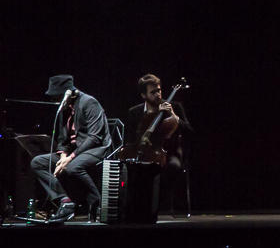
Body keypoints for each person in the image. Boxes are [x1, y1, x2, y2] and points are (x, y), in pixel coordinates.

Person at [31, 75, 112, 223]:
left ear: (68, 93)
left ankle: (96, 201)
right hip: (75, 152)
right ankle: (65, 201)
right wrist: (62, 156)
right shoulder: (64, 108)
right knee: (38, 163)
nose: (55, 100)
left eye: (57, 96)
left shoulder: (89, 102)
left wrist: (70, 158)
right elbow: (63, 139)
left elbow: (94, 138)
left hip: (96, 148)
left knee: (73, 168)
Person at [125, 74, 193, 216]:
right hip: (143, 153)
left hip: (168, 152)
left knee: (173, 166)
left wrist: (173, 116)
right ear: (143, 95)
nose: (158, 94)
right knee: (129, 168)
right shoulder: (134, 112)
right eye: (153, 92)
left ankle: (160, 206)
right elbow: (130, 139)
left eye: (159, 90)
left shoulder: (174, 106)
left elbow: (190, 133)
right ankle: (134, 209)